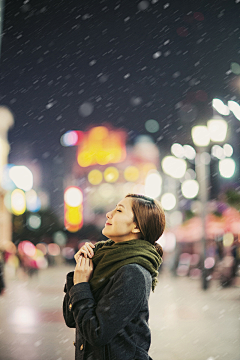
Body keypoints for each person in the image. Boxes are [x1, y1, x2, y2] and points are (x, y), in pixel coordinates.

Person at [63, 194, 165, 360]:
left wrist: (81, 284)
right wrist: (79, 273)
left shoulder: (133, 272)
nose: (109, 214)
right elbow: (71, 319)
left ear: (136, 227)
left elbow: (96, 333)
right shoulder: (102, 259)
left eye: (119, 210)